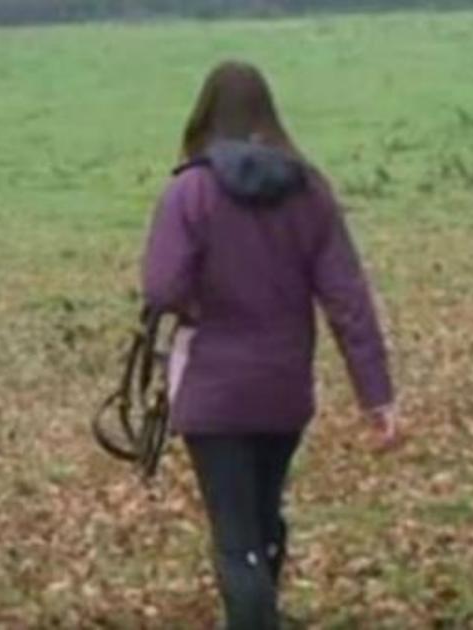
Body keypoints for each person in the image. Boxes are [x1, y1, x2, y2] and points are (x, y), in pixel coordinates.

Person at [140, 60, 402, 629]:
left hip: (212, 390)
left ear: (205, 115)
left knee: (236, 538)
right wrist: (376, 396)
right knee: (263, 518)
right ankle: (266, 613)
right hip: (284, 390)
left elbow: (161, 288)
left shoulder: (189, 192)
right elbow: (347, 299)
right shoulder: (310, 191)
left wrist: (192, 304)